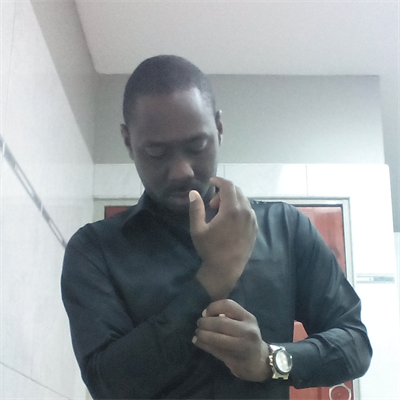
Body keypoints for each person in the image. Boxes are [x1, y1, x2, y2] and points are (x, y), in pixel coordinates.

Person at [61, 55, 372, 400]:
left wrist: (270, 359)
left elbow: (356, 344)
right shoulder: (95, 250)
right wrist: (214, 277)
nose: (181, 170)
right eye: (156, 151)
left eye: (197, 146)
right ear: (127, 141)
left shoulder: (285, 228)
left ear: (219, 129)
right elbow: (106, 385)